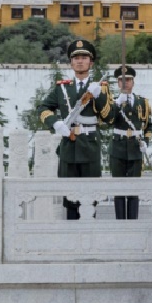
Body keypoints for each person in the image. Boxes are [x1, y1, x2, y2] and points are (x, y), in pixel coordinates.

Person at [38, 39, 111, 220]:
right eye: (76, 57)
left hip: (90, 146)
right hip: (68, 146)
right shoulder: (62, 88)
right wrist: (56, 123)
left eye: (84, 57)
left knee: (90, 197)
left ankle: (91, 241)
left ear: (91, 63)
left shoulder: (100, 88)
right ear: (71, 63)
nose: (80, 61)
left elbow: (109, 117)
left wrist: (99, 96)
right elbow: (43, 108)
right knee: (69, 197)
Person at [100, 64, 152, 220]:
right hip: (118, 148)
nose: (125, 83)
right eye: (121, 80)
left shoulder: (143, 103)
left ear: (133, 82)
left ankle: (133, 223)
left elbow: (149, 125)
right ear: (117, 83)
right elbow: (108, 121)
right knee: (119, 189)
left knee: (134, 189)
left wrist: (147, 143)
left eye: (128, 79)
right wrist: (116, 104)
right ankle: (120, 224)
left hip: (136, 148)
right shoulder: (112, 103)